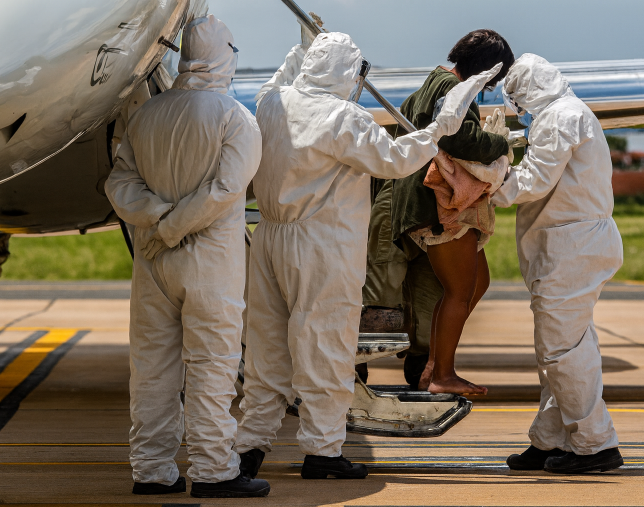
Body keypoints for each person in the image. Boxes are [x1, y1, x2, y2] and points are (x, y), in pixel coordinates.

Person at [234, 32, 504, 480]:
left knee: (266, 349)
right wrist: (441, 127)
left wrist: (300, 47)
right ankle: (322, 452)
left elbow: (276, 81)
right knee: (326, 347)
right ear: (347, 72)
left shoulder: (272, 104)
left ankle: (248, 449)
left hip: (270, 238)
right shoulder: (342, 117)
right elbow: (396, 162)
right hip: (321, 245)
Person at [105, 16, 270, 498]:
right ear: (226, 54)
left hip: (152, 260)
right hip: (210, 262)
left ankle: (152, 470)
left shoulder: (146, 114)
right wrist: (176, 226)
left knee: (153, 368)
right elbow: (226, 189)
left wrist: (156, 221)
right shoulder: (235, 117)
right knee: (212, 366)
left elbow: (119, 183)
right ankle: (214, 469)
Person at [491, 54, 624, 473]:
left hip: (573, 247)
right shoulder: (569, 111)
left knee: (562, 352)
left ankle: (596, 444)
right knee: (560, 350)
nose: (518, 111)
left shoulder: (559, 117)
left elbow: (533, 181)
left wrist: (486, 179)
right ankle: (550, 441)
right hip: (570, 245)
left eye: (516, 100)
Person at [385, 29, 514, 395]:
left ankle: (434, 365)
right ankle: (442, 373)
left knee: (478, 281)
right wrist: (504, 144)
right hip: (439, 204)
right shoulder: (451, 89)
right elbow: (459, 138)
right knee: (459, 290)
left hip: (422, 202)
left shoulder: (432, 84)